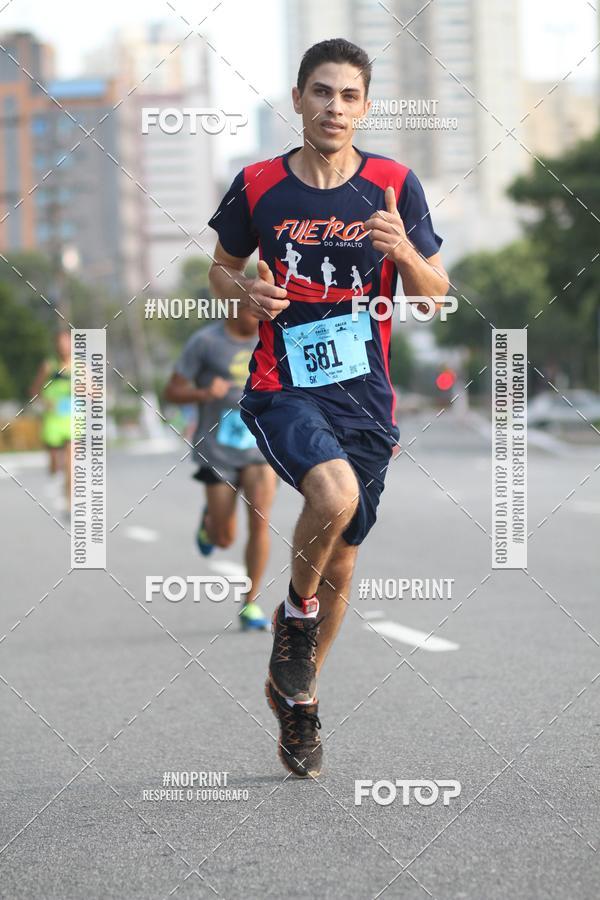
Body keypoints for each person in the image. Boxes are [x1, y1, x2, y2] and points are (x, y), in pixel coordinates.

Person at [207, 38, 449, 776]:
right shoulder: (256, 186)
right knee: (331, 493)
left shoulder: (393, 184)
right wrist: (246, 293)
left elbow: (434, 293)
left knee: (342, 559)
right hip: (285, 383)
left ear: (365, 107)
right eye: (321, 92)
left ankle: (301, 703)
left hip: (366, 396)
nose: (333, 107)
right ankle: (295, 621)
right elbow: (219, 270)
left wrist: (403, 251)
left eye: (348, 96)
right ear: (298, 99)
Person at [164, 304, 278, 631]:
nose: (261, 314)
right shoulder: (205, 342)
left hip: (260, 448)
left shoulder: (273, 338)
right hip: (217, 450)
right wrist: (203, 392)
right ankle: (210, 523)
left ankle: (250, 603)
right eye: (254, 306)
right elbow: (171, 391)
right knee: (224, 538)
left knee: (260, 520)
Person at [31, 330, 72, 512]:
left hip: (72, 418)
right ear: (56, 346)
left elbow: (94, 390)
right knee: (55, 461)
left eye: (66, 342)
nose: (63, 346)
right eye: (60, 343)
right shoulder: (48, 366)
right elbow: (34, 391)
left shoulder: (79, 367)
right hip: (53, 419)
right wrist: (46, 402)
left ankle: (70, 502)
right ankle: (56, 473)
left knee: (71, 462)